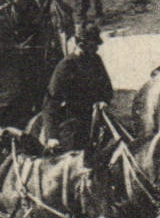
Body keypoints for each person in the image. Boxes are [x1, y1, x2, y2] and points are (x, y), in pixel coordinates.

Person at [37, 23, 113, 152]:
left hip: (96, 117)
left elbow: (107, 87)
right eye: (92, 45)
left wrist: (103, 101)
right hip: (74, 120)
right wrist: (52, 136)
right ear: (81, 44)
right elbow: (50, 102)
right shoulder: (66, 66)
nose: (96, 49)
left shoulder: (96, 60)